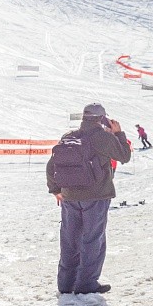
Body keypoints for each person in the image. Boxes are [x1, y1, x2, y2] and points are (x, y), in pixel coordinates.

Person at [45, 103, 130, 295]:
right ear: (102, 119)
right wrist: (119, 134)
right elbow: (124, 156)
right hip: (96, 196)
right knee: (92, 239)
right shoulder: (103, 137)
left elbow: (52, 166)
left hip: (69, 196)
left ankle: (66, 284)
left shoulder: (68, 137)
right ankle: (86, 284)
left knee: (69, 239)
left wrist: (56, 190)